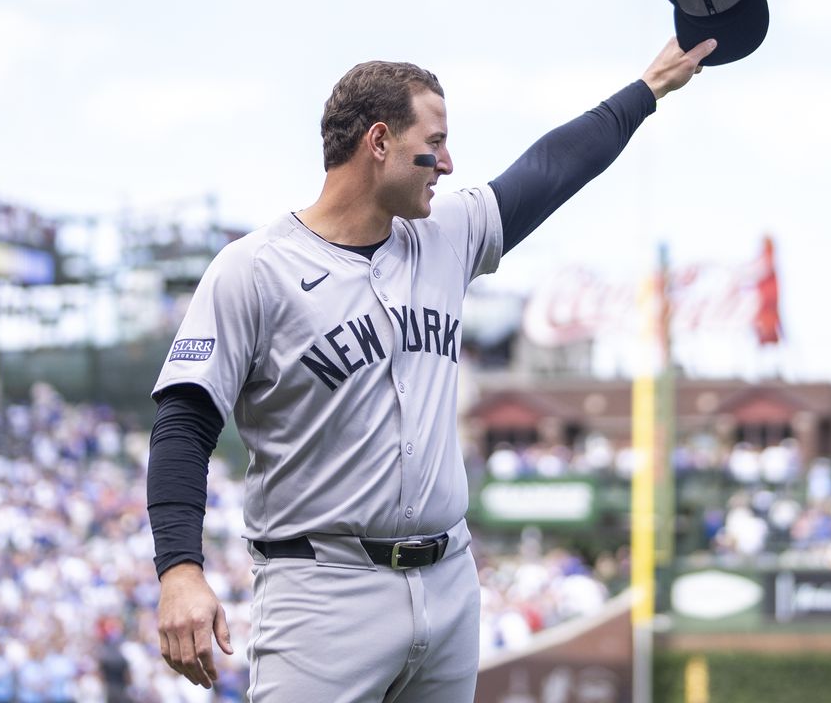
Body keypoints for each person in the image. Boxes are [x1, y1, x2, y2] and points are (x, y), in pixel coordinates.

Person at [147, 35, 717, 701]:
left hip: (447, 580)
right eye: (435, 141)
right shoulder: (255, 270)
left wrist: (646, 89)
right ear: (379, 141)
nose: (447, 163)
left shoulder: (446, 233)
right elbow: (183, 424)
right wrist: (178, 570)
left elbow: (553, 167)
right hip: (324, 590)